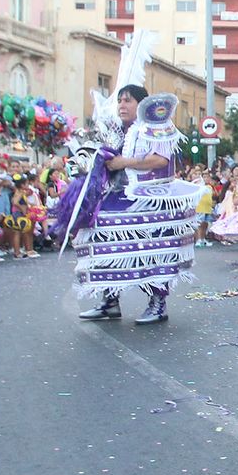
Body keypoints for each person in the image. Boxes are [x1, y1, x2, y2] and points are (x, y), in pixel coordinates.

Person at [51, 53, 204, 325]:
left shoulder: (157, 126)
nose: (122, 104)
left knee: (152, 252)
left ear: (140, 104)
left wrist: (125, 161)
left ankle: (157, 303)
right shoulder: (117, 131)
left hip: (154, 199)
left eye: (127, 100)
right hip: (119, 196)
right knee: (103, 242)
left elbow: (161, 160)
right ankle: (110, 301)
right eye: (119, 99)